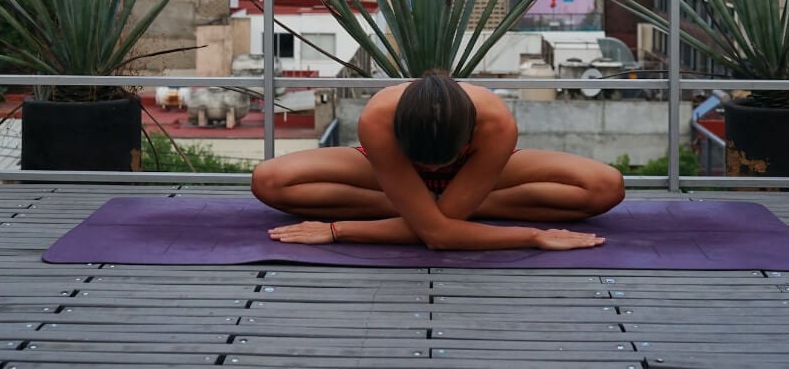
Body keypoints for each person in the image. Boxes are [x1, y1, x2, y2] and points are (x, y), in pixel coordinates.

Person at [251, 69, 625, 251]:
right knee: (269, 180)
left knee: (606, 186)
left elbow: (438, 235)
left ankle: (443, 204)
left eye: (440, 162)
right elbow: (438, 233)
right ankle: (430, 205)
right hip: (394, 181)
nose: (432, 171)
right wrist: (533, 235)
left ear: (468, 139)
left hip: (476, 178)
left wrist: (338, 229)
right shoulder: (378, 120)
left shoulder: (495, 124)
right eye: (423, 164)